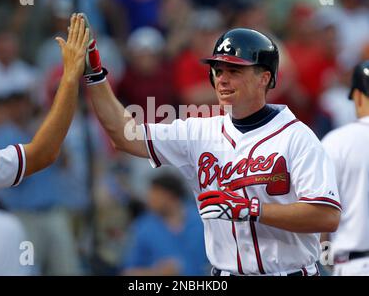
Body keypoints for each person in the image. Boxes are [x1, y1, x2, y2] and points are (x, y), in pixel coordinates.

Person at [83, 18, 341, 276]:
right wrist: (96, 76)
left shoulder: (297, 137)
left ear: (264, 78)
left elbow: (325, 216)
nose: (222, 80)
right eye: (218, 70)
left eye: (234, 71)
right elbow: (124, 136)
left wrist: (250, 209)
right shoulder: (198, 131)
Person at [0, 13, 89, 191]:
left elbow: (44, 154)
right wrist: (70, 78)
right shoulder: (2, 133)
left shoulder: (27, 76)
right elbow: (42, 154)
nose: (16, 108)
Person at [321, 60, 369, 276]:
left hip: (353, 265)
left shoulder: (337, 141)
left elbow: (322, 211)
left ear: (358, 96)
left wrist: (327, 258)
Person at [122, 173, 209, 276]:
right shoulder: (142, 227)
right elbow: (127, 272)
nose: (150, 199)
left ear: (171, 196)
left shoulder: (202, 220)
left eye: (155, 195)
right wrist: (156, 273)